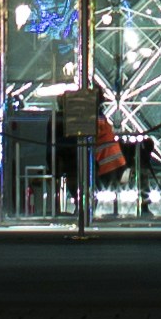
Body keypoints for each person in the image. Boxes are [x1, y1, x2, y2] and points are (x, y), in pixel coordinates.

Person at [53, 68, 108, 221]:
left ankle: (83, 208)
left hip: (75, 154)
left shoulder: (66, 119)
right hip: (78, 154)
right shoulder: (93, 116)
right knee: (81, 178)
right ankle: (85, 208)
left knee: (77, 178)